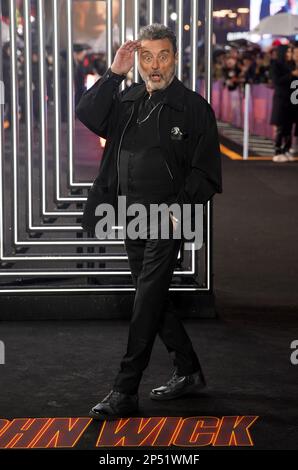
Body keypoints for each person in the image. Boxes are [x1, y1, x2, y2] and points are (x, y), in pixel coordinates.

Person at [76, 23, 222, 420]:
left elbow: (206, 171)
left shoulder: (193, 107)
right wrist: (114, 73)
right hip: (130, 213)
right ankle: (188, 369)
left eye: (162, 56)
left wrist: (179, 209)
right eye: (146, 57)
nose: (154, 65)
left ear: (175, 58)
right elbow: (86, 113)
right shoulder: (127, 99)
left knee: (146, 297)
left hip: (169, 217)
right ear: (137, 60)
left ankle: (125, 389)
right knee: (152, 297)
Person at [270, 45, 297, 162]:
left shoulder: (292, 65)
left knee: (289, 127)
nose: (289, 54)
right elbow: (277, 81)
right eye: (288, 52)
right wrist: (292, 75)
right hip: (281, 99)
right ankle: (277, 150)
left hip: (291, 100)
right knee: (281, 126)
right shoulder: (276, 64)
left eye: (291, 51)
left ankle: (286, 149)